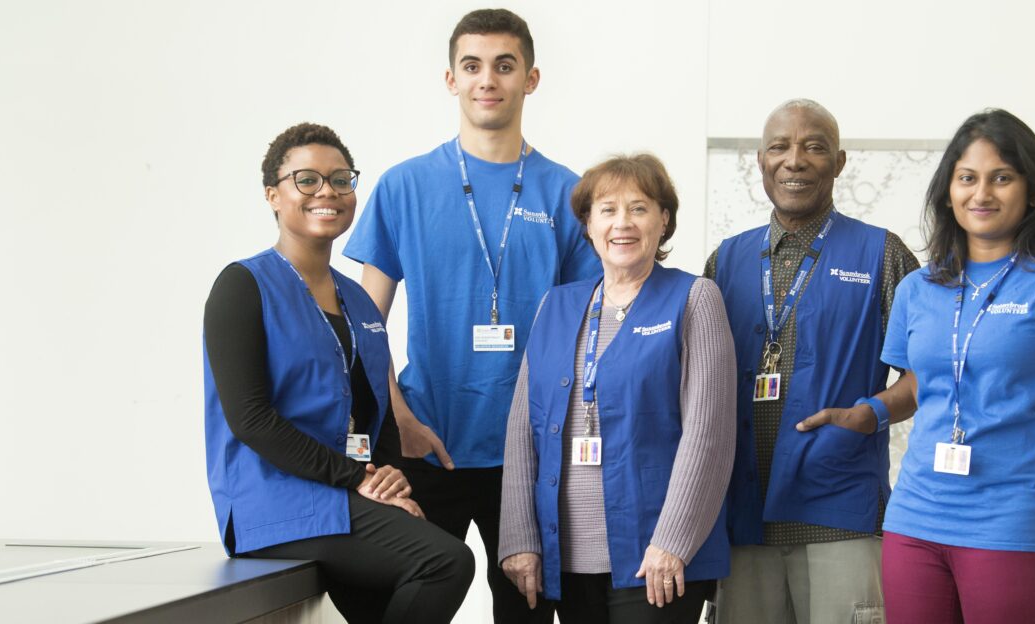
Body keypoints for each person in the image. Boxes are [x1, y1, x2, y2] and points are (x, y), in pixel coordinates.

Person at [342, 8, 600, 621]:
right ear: (451, 79)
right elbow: (362, 327)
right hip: (425, 440)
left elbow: (588, 334)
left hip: (529, 452)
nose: (489, 79)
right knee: (407, 604)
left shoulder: (567, 194)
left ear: (530, 79)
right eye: (474, 66)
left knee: (528, 611)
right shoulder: (405, 186)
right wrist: (397, 413)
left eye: (505, 66)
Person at [203, 123, 474, 624]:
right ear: (273, 195)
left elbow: (377, 414)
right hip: (277, 504)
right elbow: (250, 419)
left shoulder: (360, 302)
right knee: (445, 562)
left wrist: (392, 480)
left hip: (346, 498)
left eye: (340, 179)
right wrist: (360, 481)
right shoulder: (243, 286)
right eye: (306, 179)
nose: (327, 191)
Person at [879, 109, 1035, 624]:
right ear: (949, 191)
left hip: (1008, 526)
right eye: (967, 178)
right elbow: (925, 387)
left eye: (1001, 178)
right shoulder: (917, 289)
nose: (981, 193)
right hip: (914, 520)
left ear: (1031, 191)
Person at [705, 99, 921, 624]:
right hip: (741, 518)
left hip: (840, 513)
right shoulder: (724, 261)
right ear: (760, 160)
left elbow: (928, 374)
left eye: (814, 147)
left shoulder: (883, 255)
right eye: (779, 146)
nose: (794, 160)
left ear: (839, 162)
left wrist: (871, 412)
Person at [499, 154, 736, 623]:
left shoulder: (694, 298)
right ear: (588, 224)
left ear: (663, 220)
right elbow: (522, 427)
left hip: (655, 558)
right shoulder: (558, 303)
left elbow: (708, 437)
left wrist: (673, 541)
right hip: (566, 557)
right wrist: (519, 537)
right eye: (607, 209)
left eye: (639, 208)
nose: (621, 223)